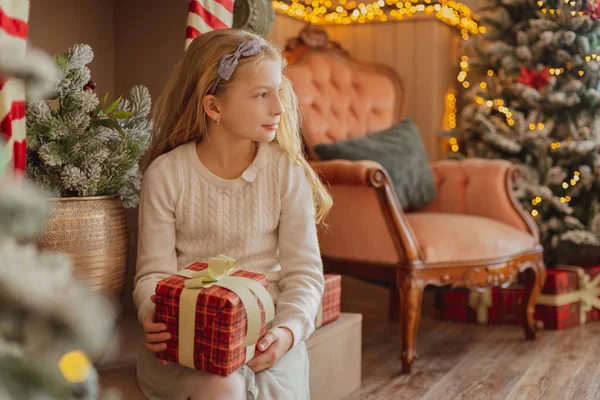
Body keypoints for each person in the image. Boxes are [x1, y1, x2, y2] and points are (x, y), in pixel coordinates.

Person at [133, 28, 333, 400]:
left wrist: (287, 333)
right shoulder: (166, 174)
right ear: (213, 107)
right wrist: (152, 314)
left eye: (278, 91)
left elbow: (304, 275)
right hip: (192, 335)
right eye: (261, 95)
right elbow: (153, 273)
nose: (279, 107)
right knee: (220, 384)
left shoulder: (285, 173)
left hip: (266, 334)